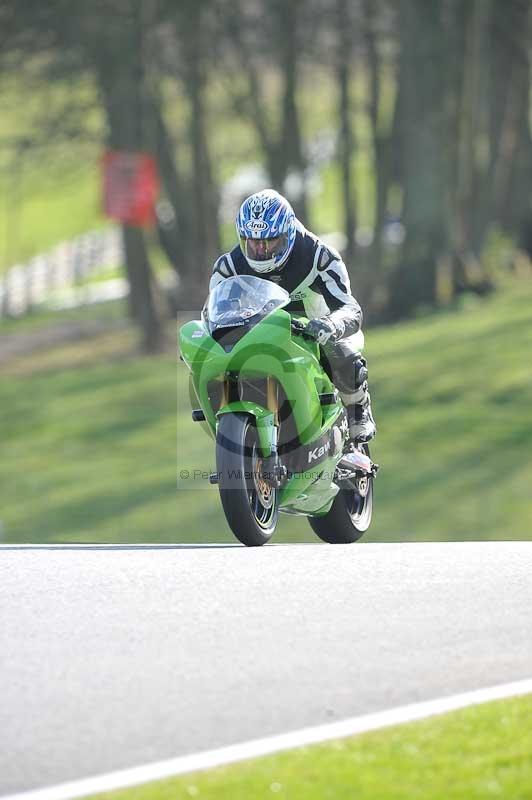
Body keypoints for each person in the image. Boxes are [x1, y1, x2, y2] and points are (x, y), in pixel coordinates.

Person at [209, 189, 376, 444]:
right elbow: (214, 313)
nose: (260, 250)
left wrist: (330, 324)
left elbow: (351, 309)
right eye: (252, 241)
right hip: (261, 335)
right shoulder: (228, 267)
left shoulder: (320, 256)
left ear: (287, 233)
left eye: (269, 241)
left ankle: (358, 409)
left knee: (342, 352)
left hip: (316, 331)